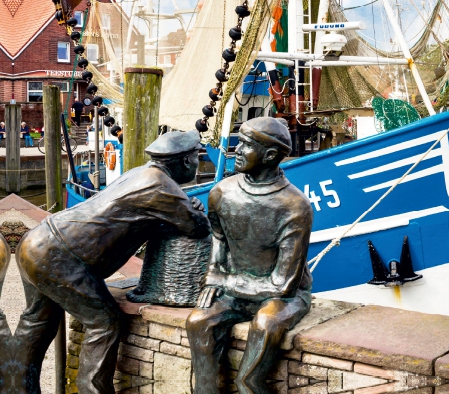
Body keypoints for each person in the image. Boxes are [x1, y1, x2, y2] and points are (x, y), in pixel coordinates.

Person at [15, 130, 211, 394]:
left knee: (37, 321)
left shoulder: (140, 173)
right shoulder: (162, 186)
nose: (198, 163)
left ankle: (16, 388)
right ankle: (92, 389)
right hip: (61, 256)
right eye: (196, 158)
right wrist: (193, 208)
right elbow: (197, 227)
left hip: (36, 241)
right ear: (186, 161)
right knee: (104, 322)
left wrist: (184, 206)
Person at [187, 117, 313, 394]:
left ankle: (250, 386)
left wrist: (223, 281)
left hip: (280, 295)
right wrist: (212, 277)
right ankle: (204, 388)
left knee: (266, 324)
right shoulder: (221, 192)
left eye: (246, 145)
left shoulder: (294, 207)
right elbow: (219, 238)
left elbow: (283, 285)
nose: (237, 151)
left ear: (269, 155)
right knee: (198, 321)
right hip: (233, 287)